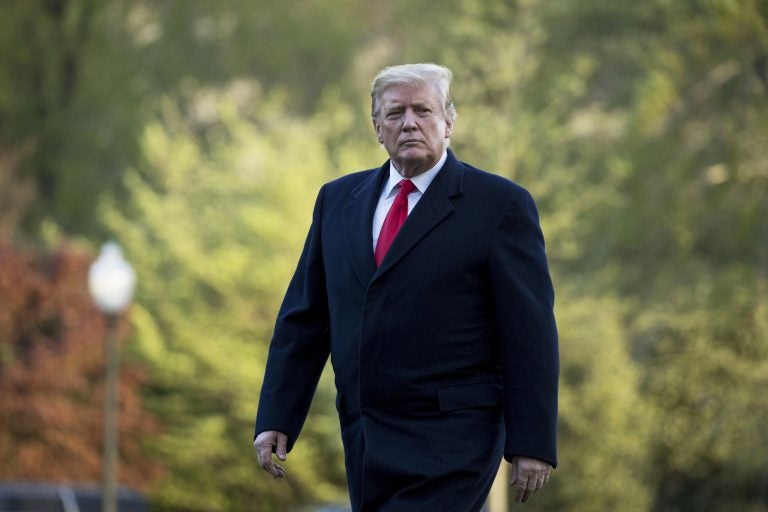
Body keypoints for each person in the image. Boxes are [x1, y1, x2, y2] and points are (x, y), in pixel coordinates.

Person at [254, 63, 559, 511]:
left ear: (448, 121)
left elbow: (529, 331)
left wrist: (531, 440)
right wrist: (277, 415)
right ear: (377, 127)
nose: (410, 122)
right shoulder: (337, 202)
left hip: (455, 437)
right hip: (365, 436)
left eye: (423, 110)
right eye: (395, 113)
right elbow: (304, 317)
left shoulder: (499, 206)